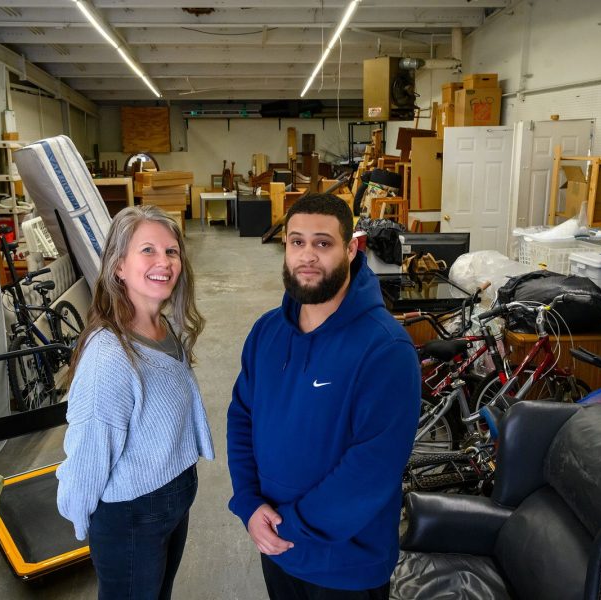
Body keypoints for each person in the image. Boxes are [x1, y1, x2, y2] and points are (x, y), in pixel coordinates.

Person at [227, 193, 420, 599]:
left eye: (323, 243)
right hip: (277, 549)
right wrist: (249, 503)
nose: (307, 256)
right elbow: (242, 416)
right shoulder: (266, 332)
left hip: (346, 567)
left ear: (351, 249)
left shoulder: (385, 349)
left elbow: (373, 468)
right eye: (297, 242)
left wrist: (288, 526)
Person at [57, 205, 214, 600]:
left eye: (172, 251)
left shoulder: (165, 326)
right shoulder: (109, 356)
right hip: (131, 513)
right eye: (148, 250)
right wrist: (80, 518)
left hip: (170, 497)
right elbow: (89, 450)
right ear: (119, 266)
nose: (164, 261)